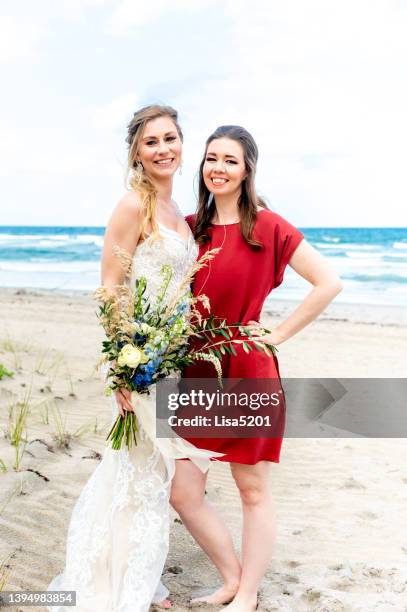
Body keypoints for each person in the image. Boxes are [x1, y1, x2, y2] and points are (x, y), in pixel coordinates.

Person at [47, 105, 217, 612]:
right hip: (140, 359)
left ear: (182, 144)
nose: (163, 149)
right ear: (136, 154)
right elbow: (110, 285)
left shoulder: (179, 215)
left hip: (169, 358)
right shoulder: (132, 206)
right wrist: (123, 364)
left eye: (170, 138)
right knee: (141, 467)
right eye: (151, 142)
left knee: (150, 473)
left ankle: (141, 577)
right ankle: (117, 584)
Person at [170, 125, 343, 612]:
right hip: (197, 373)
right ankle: (230, 578)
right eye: (210, 158)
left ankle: (246, 597)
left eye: (229, 160)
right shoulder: (191, 228)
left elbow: (328, 283)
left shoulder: (268, 226)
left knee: (252, 489)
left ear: (247, 170)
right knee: (183, 492)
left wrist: (279, 334)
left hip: (247, 372)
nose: (217, 168)